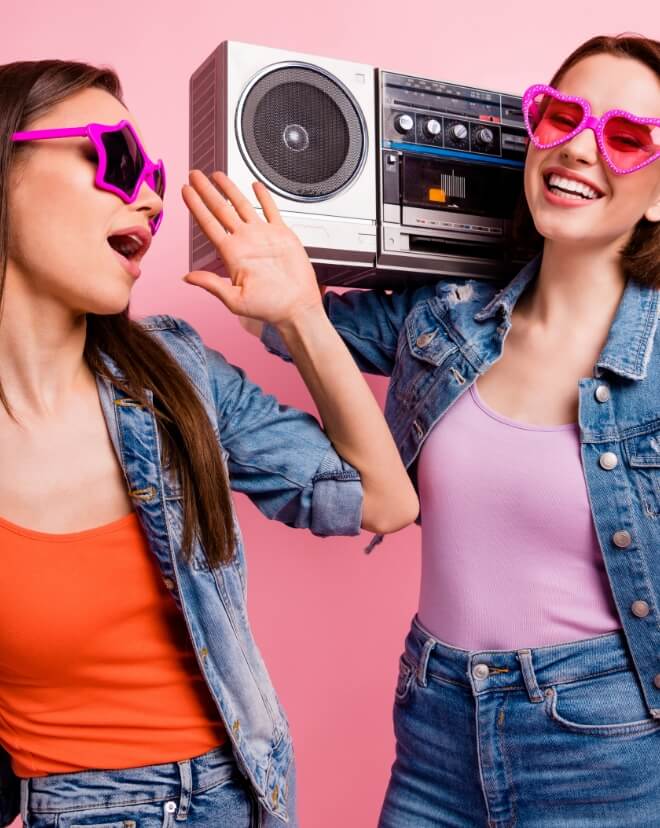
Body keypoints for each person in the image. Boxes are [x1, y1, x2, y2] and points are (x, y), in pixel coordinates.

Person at [251, 33, 660, 824]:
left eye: (627, 137)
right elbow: (283, 313)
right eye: (562, 116)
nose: (580, 148)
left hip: (602, 739)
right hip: (434, 715)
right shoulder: (446, 313)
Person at [0, 59, 420, 827]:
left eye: (153, 173)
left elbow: (384, 501)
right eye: (117, 160)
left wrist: (301, 316)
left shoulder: (175, 372)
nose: (152, 198)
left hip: (247, 798)